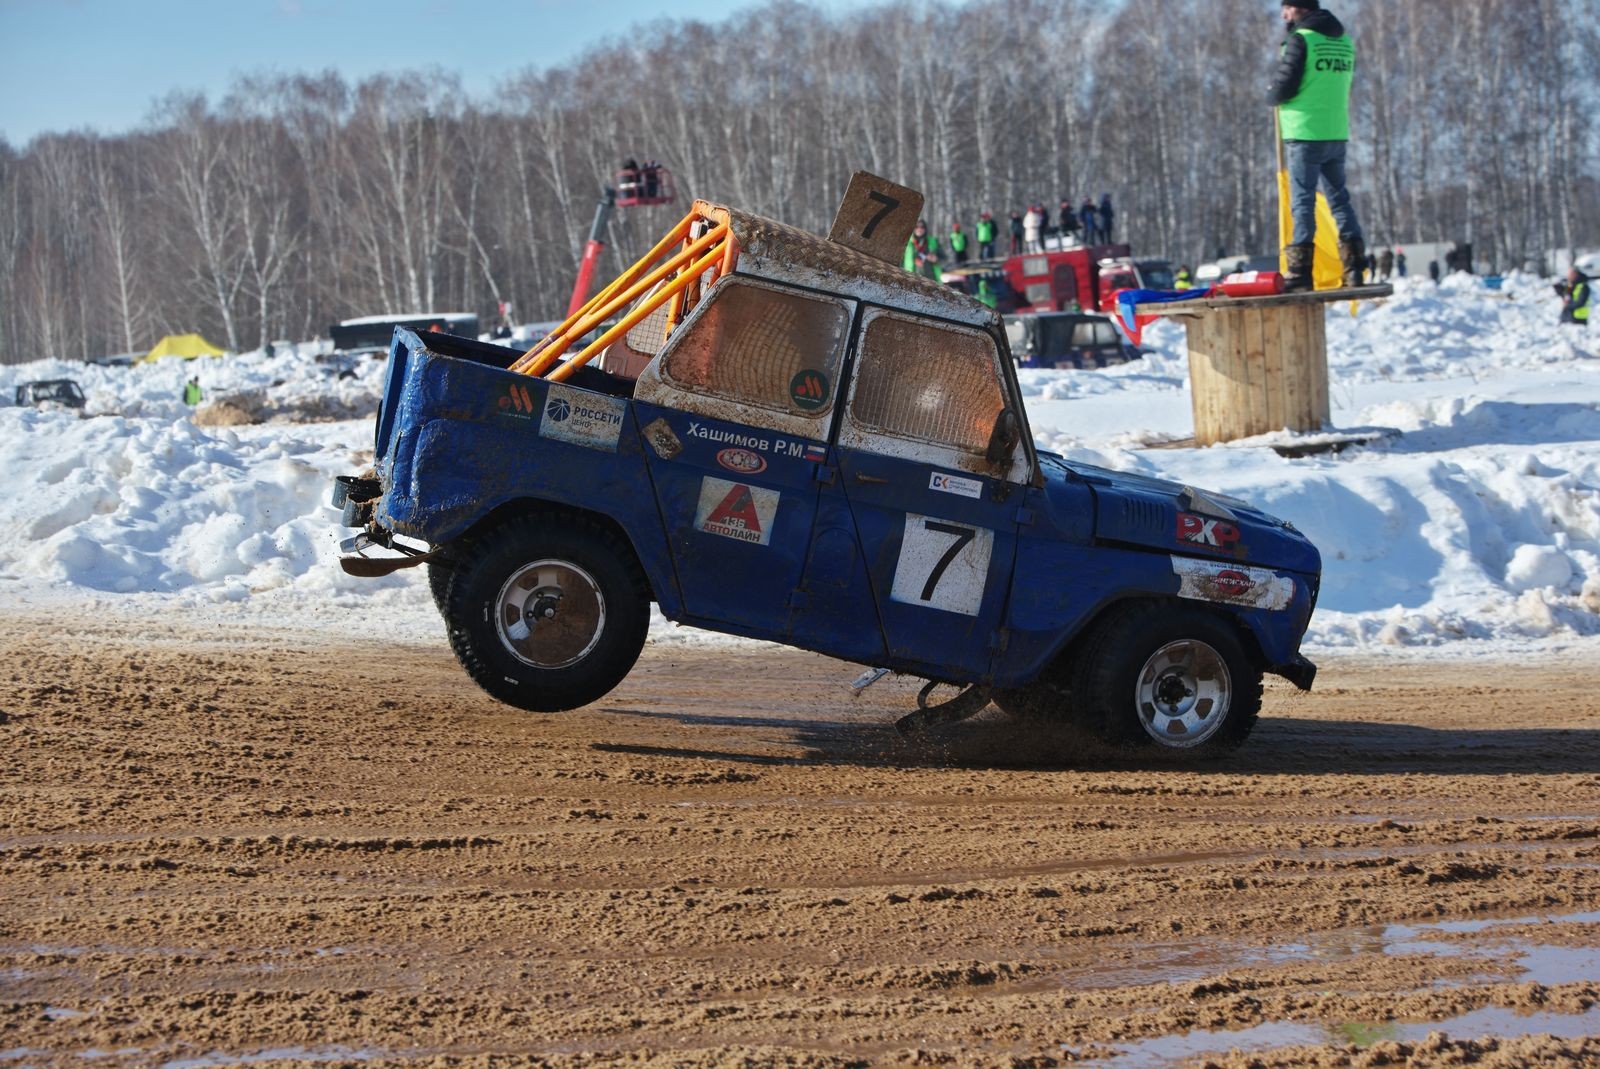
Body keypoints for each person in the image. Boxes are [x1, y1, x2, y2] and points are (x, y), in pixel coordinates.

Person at [1271, 0, 1364, 291]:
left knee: (1302, 203)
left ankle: (1299, 273)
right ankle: (1355, 267)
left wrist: (1271, 94)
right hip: (1335, 130)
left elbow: (1286, 86)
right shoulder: (1344, 41)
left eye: (1287, 8)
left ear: (1301, 8)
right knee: (1339, 200)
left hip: (1304, 132)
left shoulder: (1302, 40)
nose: (1284, 15)